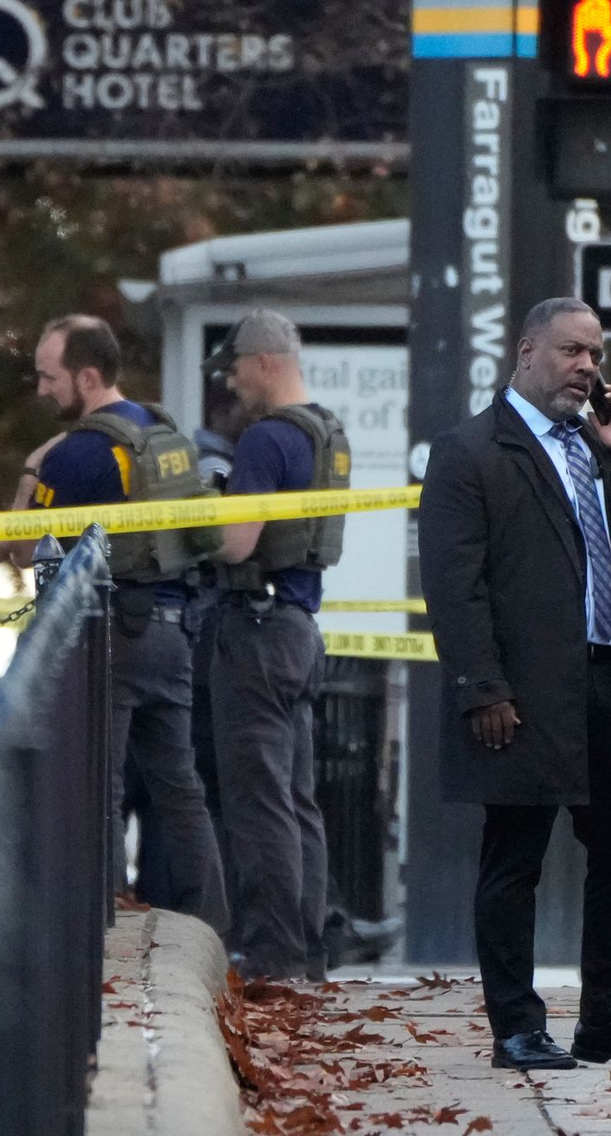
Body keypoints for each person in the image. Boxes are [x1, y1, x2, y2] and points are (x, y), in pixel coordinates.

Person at [418, 297, 611, 1072]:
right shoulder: (470, 450)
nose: (587, 367)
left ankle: (610, 1017)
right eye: (573, 351)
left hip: (608, 680)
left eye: (596, 353)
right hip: (521, 692)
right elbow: (454, 585)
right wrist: (483, 688)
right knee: (516, 858)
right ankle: (516, 1025)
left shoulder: (599, 443)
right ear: (527, 350)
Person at [13, 314, 229, 933]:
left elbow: (24, 548)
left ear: (86, 375)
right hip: (174, 628)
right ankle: (208, 926)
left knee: (97, 787)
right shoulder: (165, 434)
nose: (40, 390)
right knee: (179, 786)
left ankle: (106, 927)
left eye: (49, 377)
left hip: (111, 637)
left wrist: (31, 472)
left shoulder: (75, 455)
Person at [205, 309, 351, 982]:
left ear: (264, 361)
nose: (231, 382)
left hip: (257, 629)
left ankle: (271, 953)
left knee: (259, 797)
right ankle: (309, 945)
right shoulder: (326, 432)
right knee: (297, 798)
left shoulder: (266, 439)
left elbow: (238, 541)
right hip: (300, 625)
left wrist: (198, 517)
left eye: (234, 367)